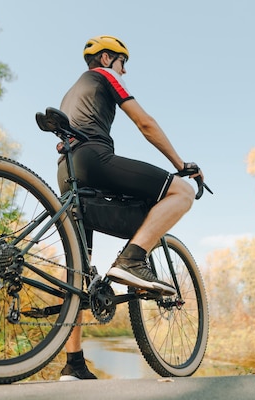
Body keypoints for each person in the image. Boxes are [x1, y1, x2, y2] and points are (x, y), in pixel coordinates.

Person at [56, 35, 204, 381]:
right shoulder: (106, 77)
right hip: (94, 159)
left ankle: (73, 363)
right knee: (180, 192)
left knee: (78, 268)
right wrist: (181, 164)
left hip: (67, 171)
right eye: (124, 63)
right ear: (107, 58)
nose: (125, 71)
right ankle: (132, 259)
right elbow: (145, 123)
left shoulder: (71, 91)